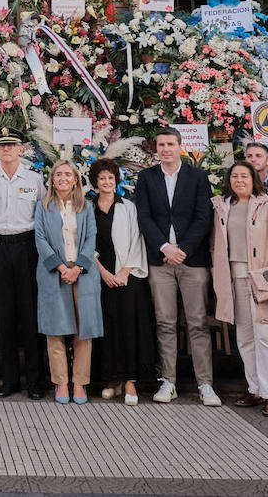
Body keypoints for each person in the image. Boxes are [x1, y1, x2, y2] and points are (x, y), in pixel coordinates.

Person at [134, 126, 220, 406]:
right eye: (161, 145)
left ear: (180, 146)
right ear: (156, 148)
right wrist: (164, 247)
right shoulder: (146, 177)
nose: (166, 149)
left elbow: (203, 216)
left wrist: (182, 249)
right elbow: (143, 216)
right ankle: (168, 381)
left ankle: (205, 384)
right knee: (165, 322)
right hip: (160, 261)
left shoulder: (197, 176)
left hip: (192, 261)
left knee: (197, 323)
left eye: (170, 144)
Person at [211, 162, 268, 417]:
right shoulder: (223, 206)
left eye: (244, 176)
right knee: (245, 337)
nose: (239, 180)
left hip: (263, 280)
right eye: (234, 176)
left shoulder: (267, 205)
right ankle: (255, 388)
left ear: (254, 179)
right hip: (234, 279)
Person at [0, 126, 46, 399]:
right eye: (1, 146)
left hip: (26, 247)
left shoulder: (34, 179)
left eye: (11, 145)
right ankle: (9, 379)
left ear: (21, 149)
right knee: (4, 315)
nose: (6, 150)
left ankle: (35, 381)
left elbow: (42, 214)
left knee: (29, 314)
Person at [34, 161, 101, 405]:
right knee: (55, 331)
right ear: (52, 180)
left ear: (75, 180)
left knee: (84, 332)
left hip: (83, 274)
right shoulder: (43, 206)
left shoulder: (86, 207)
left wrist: (78, 267)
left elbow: (92, 238)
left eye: (68, 174)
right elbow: (40, 239)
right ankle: (61, 382)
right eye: (58, 174)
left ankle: (79, 383)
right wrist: (62, 267)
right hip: (54, 273)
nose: (63, 178)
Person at [90, 158, 153, 407]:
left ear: (117, 181)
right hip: (99, 275)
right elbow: (85, 242)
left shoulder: (128, 207)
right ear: (95, 181)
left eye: (111, 178)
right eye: (102, 178)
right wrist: (102, 271)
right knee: (107, 327)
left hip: (127, 275)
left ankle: (130, 380)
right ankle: (111, 379)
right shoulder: (88, 208)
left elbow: (138, 239)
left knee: (129, 327)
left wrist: (125, 271)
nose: (107, 182)